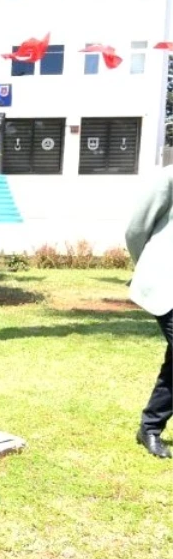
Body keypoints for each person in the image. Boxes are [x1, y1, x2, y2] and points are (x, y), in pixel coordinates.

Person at [125, 165, 173, 459]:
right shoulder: (169, 176)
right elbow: (136, 230)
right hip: (167, 283)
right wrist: (148, 265)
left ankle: (150, 427)